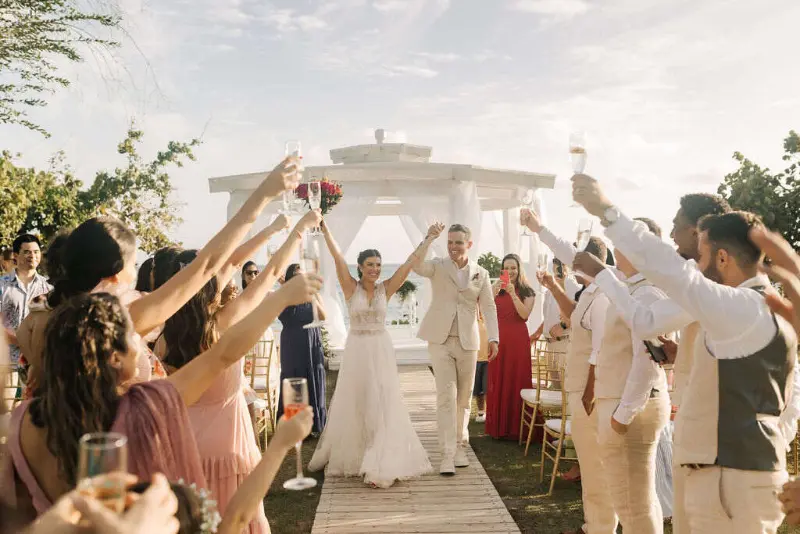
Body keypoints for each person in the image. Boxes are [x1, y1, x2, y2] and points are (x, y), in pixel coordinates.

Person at [574, 174, 798, 533]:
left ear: (722, 257)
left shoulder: (742, 305)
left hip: (729, 481)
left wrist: (606, 210)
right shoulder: (768, 310)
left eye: (704, 253)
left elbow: (674, 273)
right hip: (733, 474)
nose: (696, 263)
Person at [3, 272, 320, 523]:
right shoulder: (145, 408)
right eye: (134, 335)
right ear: (115, 357)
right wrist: (280, 298)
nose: (142, 342)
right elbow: (223, 354)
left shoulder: (21, 423)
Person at [18, 157, 300, 394]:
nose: (136, 269)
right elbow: (207, 266)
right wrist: (264, 194)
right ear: (115, 274)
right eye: (133, 262)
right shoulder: (119, 318)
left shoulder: (49, 312)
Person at [155, 212, 304, 534]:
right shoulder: (224, 324)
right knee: (240, 519)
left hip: (184, 446)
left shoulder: (164, 338)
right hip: (230, 448)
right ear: (210, 289)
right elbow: (273, 272)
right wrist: (298, 230)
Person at [309, 220, 435, 488]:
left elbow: (410, 263)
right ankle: (358, 454)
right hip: (357, 351)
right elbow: (337, 256)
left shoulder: (386, 288)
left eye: (378, 265)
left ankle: (379, 458)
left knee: (382, 402)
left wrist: (428, 239)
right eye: (370, 265)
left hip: (379, 350)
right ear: (360, 268)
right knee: (358, 400)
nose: (375, 270)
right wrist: (325, 227)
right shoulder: (349, 286)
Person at [521, 208, 618, 534]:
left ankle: (600, 528)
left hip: (590, 391)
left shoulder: (605, 293)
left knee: (597, 469)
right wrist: (552, 285)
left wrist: (589, 393)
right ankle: (593, 525)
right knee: (592, 469)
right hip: (579, 388)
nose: (574, 263)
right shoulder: (589, 291)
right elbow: (574, 314)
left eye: (581, 260)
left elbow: (599, 348)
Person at [572, 217, 671, 534]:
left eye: (622, 242)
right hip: (624, 401)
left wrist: (622, 416)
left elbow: (647, 360)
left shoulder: (648, 294)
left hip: (632, 407)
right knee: (635, 504)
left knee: (634, 506)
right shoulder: (632, 287)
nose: (616, 247)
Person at [414, 223, 499, 476]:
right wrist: (429, 238)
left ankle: (462, 446)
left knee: (464, 399)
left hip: (468, 342)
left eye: (458, 242)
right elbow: (417, 265)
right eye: (450, 242)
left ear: (469, 244)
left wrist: (494, 338)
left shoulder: (481, 273)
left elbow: (489, 307)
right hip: (440, 340)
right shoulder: (437, 266)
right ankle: (447, 454)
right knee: (446, 397)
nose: (453, 247)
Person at [485, 253, 535, 440]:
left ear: (519, 269)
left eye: (513, 267)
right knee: (499, 380)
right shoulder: (496, 289)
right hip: (498, 341)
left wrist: (514, 293)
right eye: (506, 268)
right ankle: (498, 427)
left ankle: (517, 429)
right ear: (502, 271)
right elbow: (484, 312)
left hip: (518, 342)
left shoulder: (527, 291)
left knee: (517, 380)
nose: (510, 271)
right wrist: (491, 294)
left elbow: (524, 315)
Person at [275, 262, 328, 435]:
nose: (302, 279)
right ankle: (294, 426)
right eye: (297, 276)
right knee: (295, 379)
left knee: (313, 376)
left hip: (312, 341)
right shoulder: (284, 296)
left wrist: (311, 295)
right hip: (293, 344)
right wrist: (286, 288)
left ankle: (314, 425)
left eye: (304, 276)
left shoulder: (313, 295)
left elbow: (322, 315)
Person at [0, 234, 51, 370]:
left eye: (36, 252)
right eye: (27, 252)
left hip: (38, 364)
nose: (32, 255)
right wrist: (21, 342)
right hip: (6, 362)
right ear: (16, 256)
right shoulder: (2, 285)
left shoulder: (48, 287)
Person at [473, 310, 489, 423]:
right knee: (477, 389)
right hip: (474, 359)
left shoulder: (490, 319)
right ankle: (481, 412)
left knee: (487, 388)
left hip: (488, 360)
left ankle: (490, 412)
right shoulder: (473, 319)